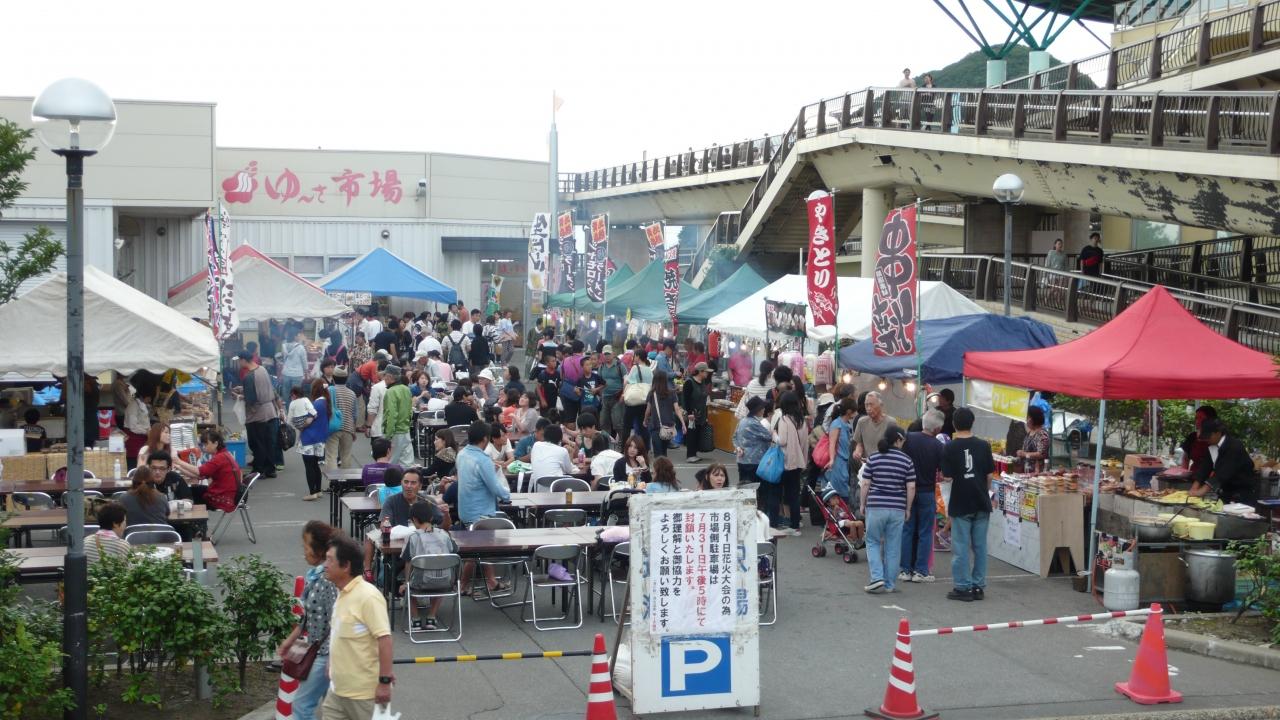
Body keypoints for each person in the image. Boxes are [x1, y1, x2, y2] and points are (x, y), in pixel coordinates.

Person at [322, 535, 393, 720]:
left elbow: (384, 640)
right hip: (337, 692)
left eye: (330, 560)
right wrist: (331, 663)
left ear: (346, 566)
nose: (325, 565)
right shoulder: (342, 593)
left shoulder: (368, 597)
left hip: (364, 696)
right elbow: (339, 635)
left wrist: (384, 681)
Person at [276, 521, 339, 720]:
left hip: (325, 653)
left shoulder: (327, 580)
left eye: (306, 547)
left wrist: (332, 658)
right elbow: (308, 617)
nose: (304, 552)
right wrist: (289, 641)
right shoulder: (315, 577)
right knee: (332, 709)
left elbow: (337, 619)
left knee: (302, 706)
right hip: (321, 650)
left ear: (318, 550)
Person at [941, 407, 996, 602]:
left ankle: (963, 586)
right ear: (972, 423)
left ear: (954, 424)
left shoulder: (949, 447)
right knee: (980, 546)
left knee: (961, 547)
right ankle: (978, 586)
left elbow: (947, 477)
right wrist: (984, 491)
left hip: (961, 501)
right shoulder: (984, 445)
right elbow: (989, 476)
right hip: (981, 500)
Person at [860, 425, 916, 594]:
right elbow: (911, 487)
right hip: (897, 508)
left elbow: (865, 483)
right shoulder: (907, 460)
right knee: (893, 546)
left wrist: (862, 503)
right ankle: (890, 584)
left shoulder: (874, 458)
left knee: (873, 541)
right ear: (898, 440)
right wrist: (908, 508)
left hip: (876, 506)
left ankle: (877, 578)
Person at [899, 410, 945, 584]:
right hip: (927, 491)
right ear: (937, 429)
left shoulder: (908, 439)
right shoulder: (938, 446)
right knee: (925, 532)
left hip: (907, 490)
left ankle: (905, 569)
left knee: (907, 529)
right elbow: (943, 473)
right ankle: (921, 571)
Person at [401, 501, 457, 631]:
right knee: (440, 573)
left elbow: (408, 562)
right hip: (446, 583)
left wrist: (406, 582)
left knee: (408, 585)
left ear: (414, 520)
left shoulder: (412, 537)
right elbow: (454, 552)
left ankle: (415, 619)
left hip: (420, 583)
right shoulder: (444, 534)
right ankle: (431, 616)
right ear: (431, 518)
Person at [1191, 418, 1259, 504]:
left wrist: (1201, 491)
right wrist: (1194, 488)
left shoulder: (1234, 446)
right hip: (1226, 492)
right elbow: (1204, 468)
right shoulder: (1211, 446)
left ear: (1218, 433)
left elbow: (1222, 473)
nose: (1206, 439)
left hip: (1242, 493)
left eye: (1208, 436)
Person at [237, 350, 282, 478]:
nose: (239, 363)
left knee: (257, 443)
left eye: (239, 360)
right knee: (269, 442)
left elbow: (251, 399)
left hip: (257, 415)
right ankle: (270, 469)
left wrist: (240, 396)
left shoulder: (248, 377)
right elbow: (264, 388)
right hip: (270, 411)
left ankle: (259, 470)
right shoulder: (262, 369)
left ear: (243, 360)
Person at [457, 421, 512, 524]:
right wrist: (507, 495)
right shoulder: (483, 460)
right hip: (481, 517)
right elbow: (495, 487)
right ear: (485, 438)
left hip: (464, 514)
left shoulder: (461, 454)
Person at [769, 392, 808, 535]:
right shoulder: (802, 421)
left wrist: (774, 435)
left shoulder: (784, 420)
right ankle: (795, 524)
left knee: (776, 493)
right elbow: (804, 442)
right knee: (794, 495)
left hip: (784, 463)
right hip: (798, 462)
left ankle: (773, 524)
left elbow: (782, 441)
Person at [177, 429, 242, 513]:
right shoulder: (224, 454)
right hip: (230, 495)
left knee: (187, 494)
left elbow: (199, 471)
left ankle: (194, 519)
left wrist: (178, 461)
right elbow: (199, 476)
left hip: (223, 498)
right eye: (203, 444)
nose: (204, 447)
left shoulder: (220, 458)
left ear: (216, 443)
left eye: (206, 444)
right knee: (193, 489)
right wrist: (179, 467)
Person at [299, 379, 331, 501]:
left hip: (309, 438)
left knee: (309, 466)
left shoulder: (316, 404)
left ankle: (312, 492)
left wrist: (300, 426)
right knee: (316, 465)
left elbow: (308, 420)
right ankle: (318, 490)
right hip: (320, 438)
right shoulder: (325, 402)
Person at [733, 397, 773, 487]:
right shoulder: (754, 423)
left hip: (742, 460)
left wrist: (738, 447)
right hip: (753, 461)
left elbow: (734, 437)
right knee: (753, 488)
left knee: (744, 487)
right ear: (758, 409)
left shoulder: (743, 421)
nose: (764, 409)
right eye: (762, 407)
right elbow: (769, 436)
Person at [644, 369, 685, 457]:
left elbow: (648, 410)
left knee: (658, 454)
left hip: (656, 426)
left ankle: (660, 465)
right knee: (664, 451)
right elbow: (677, 409)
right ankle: (664, 465)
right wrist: (683, 423)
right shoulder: (672, 393)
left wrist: (645, 420)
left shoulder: (652, 393)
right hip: (668, 427)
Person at [325, 367, 359, 471]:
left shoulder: (329, 391)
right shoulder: (352, 393)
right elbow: (355, 414)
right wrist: (353, 430)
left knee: (331, 455)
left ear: (333, 378)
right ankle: (346, 478)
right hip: (348, 427)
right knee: (346, 455)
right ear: (346, 378)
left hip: (332, 427)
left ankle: (333, 478)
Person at [824, 398, 858, 499]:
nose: (856, 413)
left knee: (843, 491)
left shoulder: (846, 425)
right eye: (854, 411)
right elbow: (832, 443)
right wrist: (831, 460)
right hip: (838, 462)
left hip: (845, 462)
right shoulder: (837, 424)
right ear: (849, 411)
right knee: (840, 493)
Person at [852, 391, 898, 462]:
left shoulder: (891, 422)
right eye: (866, 405)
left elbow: (895, 446)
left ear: (881, 405)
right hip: (867, 463)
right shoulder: (862, 422)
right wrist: (857, 452)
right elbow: (859, 443)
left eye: (871, 405)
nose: (868, 408)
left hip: (885, 463)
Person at [382, 365, 414, 465]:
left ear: (390, 377)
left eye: (385, 375)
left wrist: (388, 435)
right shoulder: (406, 389)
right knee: (407, 462)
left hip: (395, 432)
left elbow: (391, 414)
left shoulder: (391, 391)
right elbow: (410, 411)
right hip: (405, 429)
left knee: (390, 461)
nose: (384, 378)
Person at [681, 362, 712, 463]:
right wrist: (689, 413)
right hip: (692, 414)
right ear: (700, 371)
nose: (707, 373)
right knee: (691, 434)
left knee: (697, 433)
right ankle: (690, 455)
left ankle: (694, 454)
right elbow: (685, 399)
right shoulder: (689, 382)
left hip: (701, 414)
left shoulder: (703, 382)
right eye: (706, 372)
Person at [622, 351, 655, 440]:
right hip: (644, 401)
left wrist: (625, 380)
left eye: (634, 356)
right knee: (643, 426)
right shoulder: (649, 369)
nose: (633, 358)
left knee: (626, 426)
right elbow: (652, 384)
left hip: (633, 400)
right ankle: (646, 447)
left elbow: (627, 382)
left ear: (638, 356)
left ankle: (624, 446)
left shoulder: (635, 368)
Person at [597, 346, 626, 436]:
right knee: (603, 423)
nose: (607, 356)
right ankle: (607, 442)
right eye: (605, 354)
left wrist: (622, 395)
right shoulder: (601, 367)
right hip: (605, 398)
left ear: (613, 354)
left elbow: (626, 381)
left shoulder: (620, 365)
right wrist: (600, 393)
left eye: (608, 354)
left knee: (617, 424)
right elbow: (599, 382)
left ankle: (622, 442)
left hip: (617, 398)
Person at [1181, 405, 1216, 475]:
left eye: (1201, 418)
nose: (1197, 421)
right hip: (1193, 476)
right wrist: (1183, 475)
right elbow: (1185, 458)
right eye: (1196, 418)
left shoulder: (1218, 438)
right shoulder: (1192, 436)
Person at [1016, 406, 1050, 473]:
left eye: (1027, 418)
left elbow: (1041, 454)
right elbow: (1028, 449)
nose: (1026, 420)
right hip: (1027, 469)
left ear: (1033, 419)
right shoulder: (1030, 432)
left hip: (1038, 472)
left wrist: (1024, 454)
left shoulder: (1042, 434)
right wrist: (1021, 452)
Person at [281, 329, 309, 401]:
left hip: (286, 373)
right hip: (297, 374)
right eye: (298, 335)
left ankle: (287, 407)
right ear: (295, 336)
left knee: (286, 393)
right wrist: (306, 375)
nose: (299, 337)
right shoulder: (300, 347)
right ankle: (295, 407)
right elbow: (304, 362)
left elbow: (283, 359)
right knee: (296, 395)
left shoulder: (284, 346)